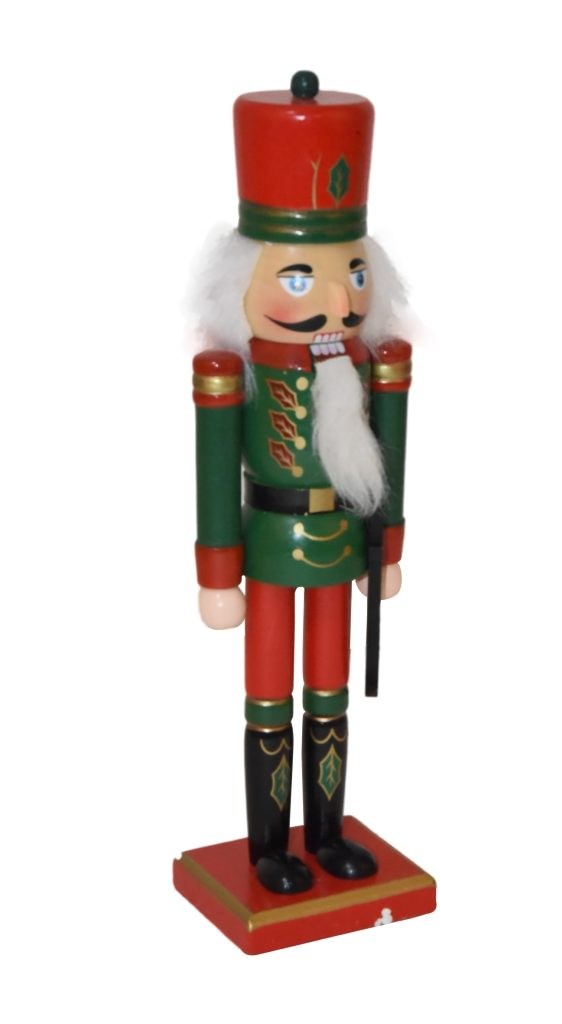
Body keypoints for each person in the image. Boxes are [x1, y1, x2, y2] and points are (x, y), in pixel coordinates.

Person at [191, 71, 413, 895]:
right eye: (296, 280)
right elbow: (216, 468)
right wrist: (218, 573)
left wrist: (387, 546)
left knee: (330, 686)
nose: (331, 299)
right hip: (269, 539)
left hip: (342, 537)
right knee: (267, 693)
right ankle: (266, 847)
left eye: (350, 273)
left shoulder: (368, 365)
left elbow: (392, 457)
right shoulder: (232, 374)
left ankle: (324, 833)